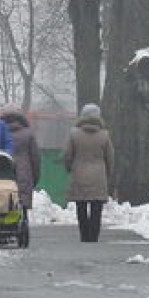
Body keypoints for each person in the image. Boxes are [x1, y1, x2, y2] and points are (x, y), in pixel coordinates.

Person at [62, 102, 113, 242]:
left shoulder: (74, 134)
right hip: (98, 176)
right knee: (97, 208)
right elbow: (110, 157)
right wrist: (107, 173)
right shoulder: (104, 135)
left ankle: (84, 235)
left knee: (81, 206)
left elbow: (67, 155)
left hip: (79, 173)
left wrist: (69, 168)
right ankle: (94, 236)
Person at [0, 108, 41, 210]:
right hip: (24, 173)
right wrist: (35, 177)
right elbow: (35, 158)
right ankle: (24, 221)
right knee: (22, 203)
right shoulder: (28, 134)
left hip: (5, 173)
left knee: (6, 202)